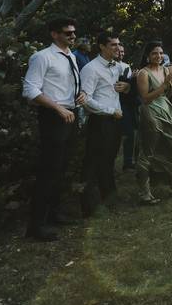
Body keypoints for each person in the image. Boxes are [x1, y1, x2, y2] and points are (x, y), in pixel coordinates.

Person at [21, 16, 87, 241]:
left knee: (62, 168)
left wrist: (82, 94)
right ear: (54, 34)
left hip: (70, 114)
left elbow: (69, 85)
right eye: (68, 33)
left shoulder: (71, 57)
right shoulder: (42, 57)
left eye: (74, 32)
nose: (73, 36)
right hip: (53, 116)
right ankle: (35, 226)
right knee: (48, 170)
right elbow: (30, 90)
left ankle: (53, 214)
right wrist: (58, 108)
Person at [78, 31, 130, 216]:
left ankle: (109, 199)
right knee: (93, 163)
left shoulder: (117, 67)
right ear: (101, 46)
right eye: (113, 45)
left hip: (115, 121)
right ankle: (88, 207)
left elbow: (123, 87)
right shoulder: (91, 69)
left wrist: (127, 87)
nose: (118, 48)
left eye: (118, 44)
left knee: (109, 161)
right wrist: (110, 111)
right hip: (100, 121)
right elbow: (84, 100)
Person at [135, 41, 172, 204]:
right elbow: (145, 98)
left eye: (161, 53)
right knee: (149, 150)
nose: (159, 56)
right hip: (150, 110)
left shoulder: (165, 69)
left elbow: (169, 93)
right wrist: (165, 85)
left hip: (166, 108)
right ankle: (145, 193)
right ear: (148, 55)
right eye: (155, 53)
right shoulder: (143, 73)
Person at [115, 42, 138, 171]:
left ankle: (128, 162)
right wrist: (130, 80)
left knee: (130, 133)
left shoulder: (126, 66)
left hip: (127, 103)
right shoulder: (111, 66)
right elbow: (119, 85)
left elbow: (128, 88)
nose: (121, 53)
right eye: (119, 51)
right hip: (115, 103)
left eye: (123, 51)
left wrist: (133, 79)